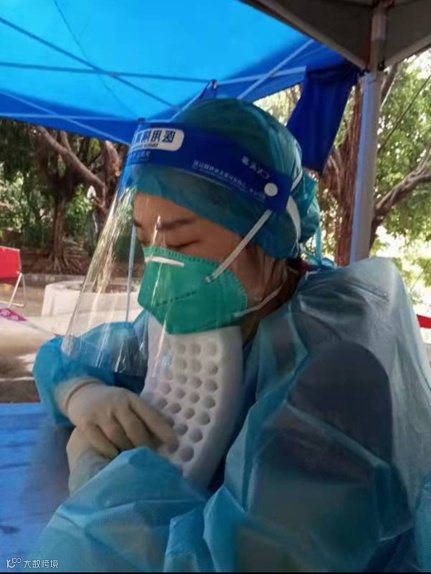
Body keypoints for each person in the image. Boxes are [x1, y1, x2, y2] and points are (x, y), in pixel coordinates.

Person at [31, 99, 431, 572]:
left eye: (180, 243)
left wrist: (99, 481)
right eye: (147, 241)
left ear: (268, 235)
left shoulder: (342, 363)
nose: (158, 276)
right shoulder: (217, 308)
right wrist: (82, 393)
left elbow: (244, 561)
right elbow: (71, 355)